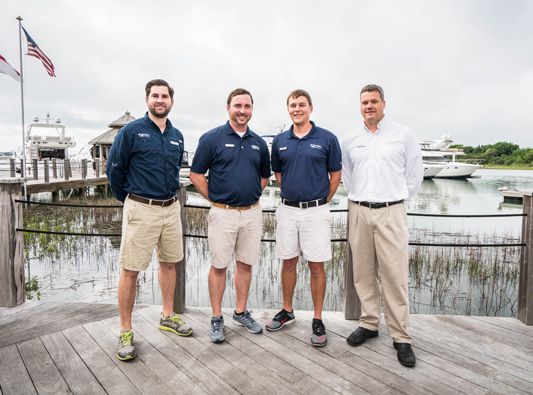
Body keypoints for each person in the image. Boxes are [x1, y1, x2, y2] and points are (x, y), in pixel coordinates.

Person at [106, 79, 192, 361]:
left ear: (171, 101)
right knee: (130, 270)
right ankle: (125, 330)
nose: (160, 100)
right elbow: (115, 170)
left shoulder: (177, 135)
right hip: (141, 208)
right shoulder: (130, 132)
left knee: (169, 263)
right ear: (147, 100)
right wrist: (130, 201)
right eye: (155, 96)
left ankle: (168, 315)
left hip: (171, 208)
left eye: (164, 96)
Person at [341, 84, 423, 367]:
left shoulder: (403, 135)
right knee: (363, 273)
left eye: (374, 101)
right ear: (360, 105)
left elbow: (414, 175)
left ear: (384, 104)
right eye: (364, 102)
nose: (369, 106)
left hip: (392, 212)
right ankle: (370, 323)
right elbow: (348, 177)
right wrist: (362, 203)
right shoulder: (350, 139)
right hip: (359, 212)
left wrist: (395, 203)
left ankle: (401, 337)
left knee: (394, 275)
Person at [189, 88, 271, 343]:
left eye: (247, 106)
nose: (242, 111)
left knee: (245, 264)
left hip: (251, 213)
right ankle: (216, 317)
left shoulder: (259, 142)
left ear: (251, 110)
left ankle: (240, 312)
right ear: (228, 108)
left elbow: (265, 177)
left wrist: (249, 195)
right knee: (219, 266)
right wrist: (215, 199)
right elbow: (196, 175)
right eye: (238, 106)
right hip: (222, 214)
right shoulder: (211, 138)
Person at [266, 90, 342, 347]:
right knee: (288, 262)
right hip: (287, 210)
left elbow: (335, 176)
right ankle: (287, 311)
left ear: (310, 107)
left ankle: (318, 318)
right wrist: (294, 196)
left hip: (316, 211)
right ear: (288, 109)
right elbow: (278, 174)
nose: (296, 109)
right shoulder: (279, 141)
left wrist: (319, 201)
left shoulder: (327, 138)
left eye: (301, 105)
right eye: (292, 105)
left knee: (316, 266)